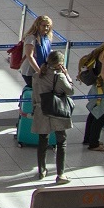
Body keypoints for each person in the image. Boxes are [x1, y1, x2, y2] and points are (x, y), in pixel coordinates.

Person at [31, 50, 74, 183]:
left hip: (41, 110)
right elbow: (70, 91)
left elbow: (35, 95)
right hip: (57, 111)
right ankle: (61, 174)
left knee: (42, 141)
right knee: (61, 142)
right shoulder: (60, 77)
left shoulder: (37, 76)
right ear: (60, 64)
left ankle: (41, 171)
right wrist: (67, 76)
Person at [19, 15, 55, 88]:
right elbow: (30, 56)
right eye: (44, 26)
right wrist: (39, 71)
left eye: (48, 26)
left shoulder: (46, 37)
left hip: (41, 69)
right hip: (30, 72)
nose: (46, 28)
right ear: (38, 25)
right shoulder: (31, 37)